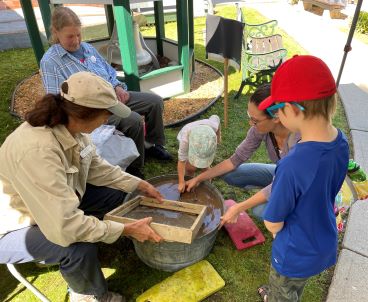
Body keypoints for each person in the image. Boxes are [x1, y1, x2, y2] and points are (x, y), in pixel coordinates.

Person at [0, 72, 164, 302]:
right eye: (106, 115)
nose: (107, 120)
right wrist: (123, 229)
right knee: (77, 246)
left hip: (53, 203)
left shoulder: (72, 127)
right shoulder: (38, 152)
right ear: (86, 114)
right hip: (14, 227)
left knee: (115, 196)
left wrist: (139, 184)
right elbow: (65, 228)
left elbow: (97, 167)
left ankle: (109, 236)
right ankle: (87, 295)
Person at [40, 6, 172, 179]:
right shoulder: (50, 61)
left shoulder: (87, 48)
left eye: (78, 34)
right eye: (70, 36)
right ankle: (134, 165)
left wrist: (117, 87)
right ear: (56, 33)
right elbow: (56, 100)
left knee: (154, 101)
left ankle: (153, 145)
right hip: (91, 109)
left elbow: (108, 72)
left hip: (112, 96)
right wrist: (92, 107)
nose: (77, 40)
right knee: (133, 121)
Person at [257, 55, 349, 301]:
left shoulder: (292, 165)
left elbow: (273, 222)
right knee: (296, 285)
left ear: (294, 109)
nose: (276, 115)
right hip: (322, 242)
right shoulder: (341, 142)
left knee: (283, 291)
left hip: (294, 253)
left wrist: (278, 233)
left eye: (277, 108)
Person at [185, 84, 300, 222]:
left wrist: (239, 207)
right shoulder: (260, 130)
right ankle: (277, 198)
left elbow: (285, 182)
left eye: (255, 120)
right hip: (281, 176)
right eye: (249, 116)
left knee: (261, 211)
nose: (251, 123)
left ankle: (298, 212)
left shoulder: (299, 142)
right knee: (231, 175)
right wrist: (199, 178)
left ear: (276, 117)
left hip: (299, 187)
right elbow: (235, 160)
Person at [176, 115, 221, 192]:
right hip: (188, 138)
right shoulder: (185, 140)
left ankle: (207, 184)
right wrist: (181, 181)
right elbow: (181, 161)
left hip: (204, 140)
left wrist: (218, 136)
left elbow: (216, 117)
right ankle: (189, 178)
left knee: (206, 168)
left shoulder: (213, 125)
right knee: (190, 167)